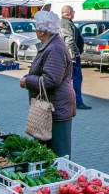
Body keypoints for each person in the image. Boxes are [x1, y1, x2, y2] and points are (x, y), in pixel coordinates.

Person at [19, 11, 76, 158]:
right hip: (52, 106)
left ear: (43, 30)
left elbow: (51, 80)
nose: (35, 30)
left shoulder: (55, 48)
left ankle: (63, 179)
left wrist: (27, 81)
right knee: (48, 152)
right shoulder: (50, 44)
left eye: (36, 27)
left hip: (56, 108)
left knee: (58, 153)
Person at [59, 5, 91, 110]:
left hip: (69, 56)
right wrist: (76, 52)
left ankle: (70, 101)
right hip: (71, 57)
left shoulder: (67, 23)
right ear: (68, 12)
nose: (74, 13)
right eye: (73, 11)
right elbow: (69, 40)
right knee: (76, 79)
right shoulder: (66, 24)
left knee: (70, 80)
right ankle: (77, 102)